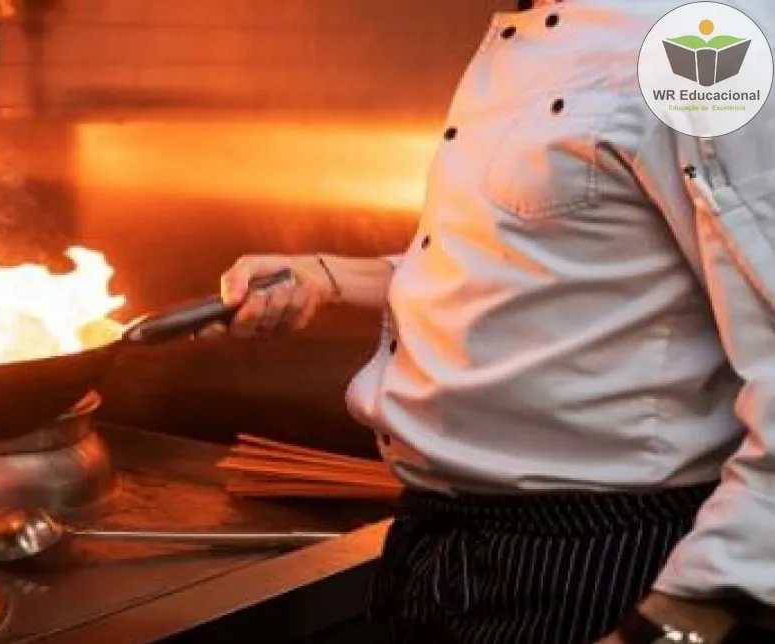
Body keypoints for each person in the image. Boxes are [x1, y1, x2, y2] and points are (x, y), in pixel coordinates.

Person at [204, 1, 775, 643]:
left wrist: (687, 614)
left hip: (595, 560)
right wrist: (327, 275)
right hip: (436, 545)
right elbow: (547, 258)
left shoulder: (708, 39)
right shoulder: (528, 29)